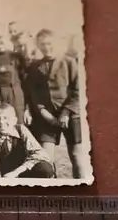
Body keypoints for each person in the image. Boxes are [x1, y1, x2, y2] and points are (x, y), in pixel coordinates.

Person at [27, 29, 86, 179]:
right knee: (46, 161)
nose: (46, 47)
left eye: (49, 43)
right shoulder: (35, 67)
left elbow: (79, 89)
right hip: (47, 116)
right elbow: (34, 93)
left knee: (77, 156)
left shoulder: (69, 62)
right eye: (42, 44)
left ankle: (81, 190)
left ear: (56, 43)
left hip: (71, 114)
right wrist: (43, 112)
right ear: (38, 46)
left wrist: (66, 112)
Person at [0, 103, 55, 178]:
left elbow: (40, 154)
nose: (1, 122)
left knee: (44, 167)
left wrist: (16, 172)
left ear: (14, 120)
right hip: (5, 176)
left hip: (23, 172)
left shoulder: (21, 130)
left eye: (5, 118)